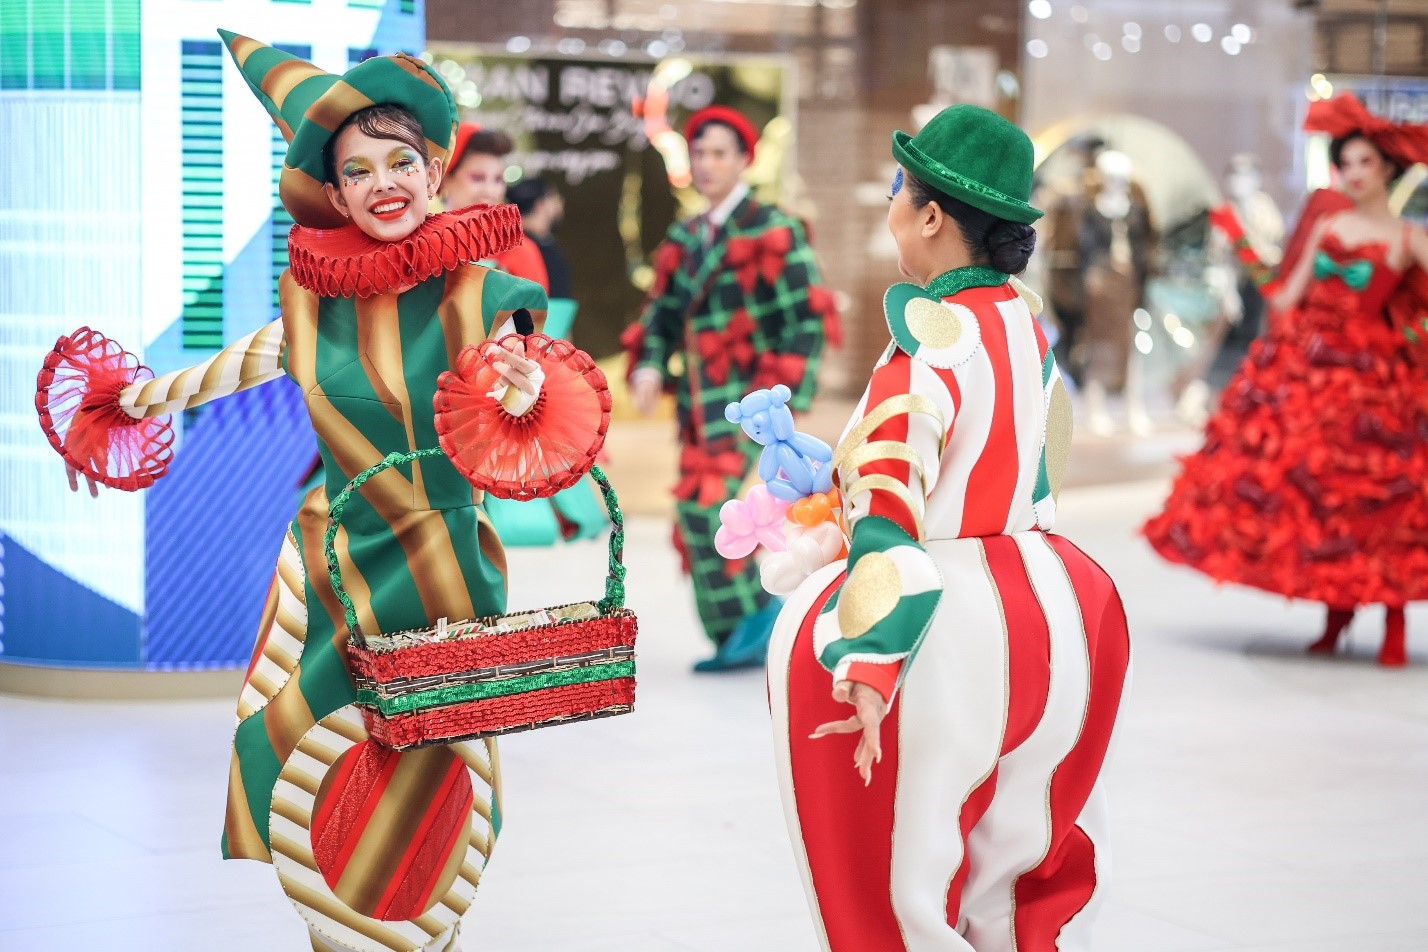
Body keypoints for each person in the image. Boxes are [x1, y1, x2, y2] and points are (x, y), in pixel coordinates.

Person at [38, 32, 605, 950]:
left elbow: (533, 377)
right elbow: (237, 366)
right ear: (333, 194)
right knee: (314, 755)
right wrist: (121, 403)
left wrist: (525, 384)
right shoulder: (312, 302)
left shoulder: (483, 289)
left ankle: (423, 928)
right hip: (328, 564)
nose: (384, 181)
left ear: (433, 171)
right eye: (358, 169)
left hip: (445, 564)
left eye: (401, 160)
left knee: (439, 776)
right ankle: (333, 930)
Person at [764, 104, 1130, 950]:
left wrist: (868, 661)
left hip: (947, 626)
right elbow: (1035, 464)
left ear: (930, 215)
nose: (890, 205)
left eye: (899, 188)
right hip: (1058, 605)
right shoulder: (1023, 328)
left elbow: (892, 504)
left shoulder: (926, 342)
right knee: (1024, 866)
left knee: (904, 884)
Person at [1144, 92, 1428, 667]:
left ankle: (1392, 620)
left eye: (1364, 163)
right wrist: (1241, 239)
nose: (1352, 174)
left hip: (1374, 380)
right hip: (1312, 373)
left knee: (1381, 498)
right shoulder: (1327, 228)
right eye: (1344, 164)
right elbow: (1282, 295)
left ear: (1387, 170)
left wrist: (1409, 341)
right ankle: (1335, 613)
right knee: (1320, 497)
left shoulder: (1407, 239)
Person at [622, 105, 838, 672]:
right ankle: (743, 630)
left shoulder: (773, 228)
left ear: (744, 159)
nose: (707, 163)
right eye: (699, 152)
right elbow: (659, 314)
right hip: (698, 406)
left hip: (754, 406)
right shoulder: (686, 235)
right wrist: (647, 363)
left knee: (710, 507)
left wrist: (783, 402)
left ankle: (755, 622)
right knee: (709, 515)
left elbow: (806, 319)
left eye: (719, 152)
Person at [440, 123, 550, 292]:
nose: (490, 191)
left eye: (498, 180)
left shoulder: (521, 251)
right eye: (477, 178)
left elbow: (538, 316)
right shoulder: (420, 245)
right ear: (447, 179)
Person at [508, 177, 572, 299]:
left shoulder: (508, 243)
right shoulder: (525, 250)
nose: (560, 203)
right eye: (555, 197)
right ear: (541, 204)